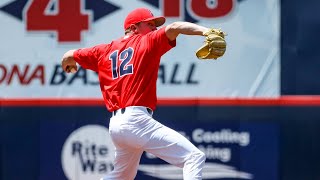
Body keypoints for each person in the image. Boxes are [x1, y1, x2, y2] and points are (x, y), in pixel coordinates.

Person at [61, 7, 210, 180]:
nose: (154, 29)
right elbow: (175, 27)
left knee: (122, 177)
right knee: (194, 157)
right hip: (136, 120)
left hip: (116, 126)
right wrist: (206, 32)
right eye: (150, 24)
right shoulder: (146, 42)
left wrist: (67, 62)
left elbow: (69, 54)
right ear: (133, 28)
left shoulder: (103, 51)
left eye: (155, 25)